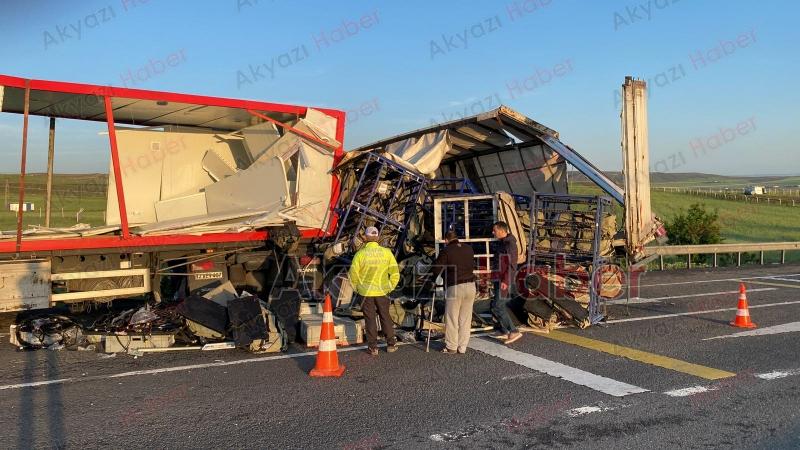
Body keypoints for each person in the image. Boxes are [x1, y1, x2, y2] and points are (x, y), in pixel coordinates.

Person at [348, 226, 400, 356]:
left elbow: (353, 275)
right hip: (382, 291)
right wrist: (390, 286)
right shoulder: (387, 253)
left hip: (365, 292)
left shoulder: (360, 254)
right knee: (385, 316)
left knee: (370, 318)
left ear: (366, 238)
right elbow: (395, 273)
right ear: (377, 237)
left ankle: (373, 347)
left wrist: (357, 288)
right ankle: (391, 344)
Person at [430, 230, 476, 354]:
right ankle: (462, 347)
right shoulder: (469, 249)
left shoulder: (446, 251)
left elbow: (437, 268)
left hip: (455, 286)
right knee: (465, 318)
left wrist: (433, 279)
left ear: (446, 240)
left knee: (451, 317)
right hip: (471, 285)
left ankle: (451, 346)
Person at [491, 221, 522, 345]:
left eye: (494, 230)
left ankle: (513, 331)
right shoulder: (502, 243)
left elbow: (512, 265)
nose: (493, 232)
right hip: (499, 278)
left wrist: (505, 280)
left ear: (501, 230)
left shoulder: (509, 244)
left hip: (504, 280)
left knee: (498, 306)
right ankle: (504, 330)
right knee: (496, 305)